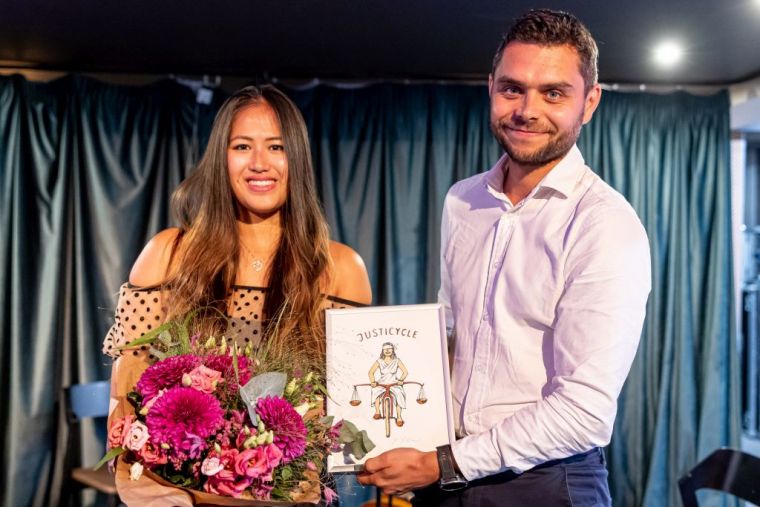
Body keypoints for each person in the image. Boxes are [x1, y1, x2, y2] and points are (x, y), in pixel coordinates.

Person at [357, 9, 651, 506]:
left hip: (546, 482)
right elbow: (450, 334)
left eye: (553, 93)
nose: (527, 110)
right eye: (513, 89)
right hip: (444, 472)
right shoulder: (462, 200)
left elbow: (584, 413)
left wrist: (442, 463)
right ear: (490, 87)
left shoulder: (605, 223)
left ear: (589, 102)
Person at [103, 85, 372, 506]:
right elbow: (126, 407)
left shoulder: (341, 269)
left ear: (297, 159)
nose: (259, 163)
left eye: (276, 147)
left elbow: (351, 416)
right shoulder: (167, 255)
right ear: (220, 158)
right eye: (242, 146)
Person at [368, 342, 408, 426]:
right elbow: (371, 372)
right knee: (375, 391)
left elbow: (405, 372)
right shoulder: (379, 361)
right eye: (385, 349)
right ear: (382, 351)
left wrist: (401, 380)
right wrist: (373, 382)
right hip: (382, 383)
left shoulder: (397, 361)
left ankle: (399, 417)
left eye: (389, 349)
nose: (387, 351)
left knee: (399, 394)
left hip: (394, 383)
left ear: (392, 350)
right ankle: (377, 411)